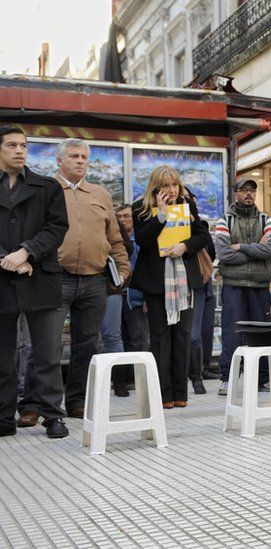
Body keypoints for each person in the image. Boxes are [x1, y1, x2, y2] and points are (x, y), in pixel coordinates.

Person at [18, 138, 129, 423]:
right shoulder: (44, 190)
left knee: (88, 344)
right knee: (45, 345)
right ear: (59, 160)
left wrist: (123, 269)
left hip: (94, 280)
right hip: (54, 277)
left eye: (84, 157)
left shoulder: (100, 193)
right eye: (74, 156)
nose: (81, 161)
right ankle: (32, 404)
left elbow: (114, 237)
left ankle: (77, 401)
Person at [0, 125, 70, 438]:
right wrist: (9, 259)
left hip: (40, 277)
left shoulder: (47, 187)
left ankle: (53, 415)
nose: (19, 151)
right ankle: (3, 418)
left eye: (24, 146)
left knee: (46, 353)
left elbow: (57, 228)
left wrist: (28, 252)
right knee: (3, 354)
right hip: (3, 277)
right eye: (12, 145)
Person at [130, 166, 210, 408]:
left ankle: (180, 394)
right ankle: (163, 395)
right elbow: (143, 241)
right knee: (160, 337)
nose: (171, 190)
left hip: (184, 280)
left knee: (183, 336)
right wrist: (161, 216)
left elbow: (203, 235)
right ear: (156, 188)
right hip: (156, 283)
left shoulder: (187, 205)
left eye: (174, 185)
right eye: (165, 186)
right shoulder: (140, 208)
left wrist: (185, 246)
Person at [214, 179, 271, 396]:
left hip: (260, 285)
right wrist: (255, 250)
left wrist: (240, 246)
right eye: (244, 190)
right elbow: (224, 254)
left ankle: (263, 379)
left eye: (252, 190)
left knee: (261, 334)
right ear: (236, 194)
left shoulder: (266, 219)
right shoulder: (225, 220)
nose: (249, 194)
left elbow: (270, 249)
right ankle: (227, 378)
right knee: (232, 333)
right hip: (233, 285)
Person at [115, 203, 150, 395]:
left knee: (138, 340)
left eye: (126, 216)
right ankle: (122, 380)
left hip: (136, 296)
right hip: (116, 295)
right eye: (119, 217)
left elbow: (145, 271)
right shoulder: (114, 240)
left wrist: (147, 298)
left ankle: (138, 378)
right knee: (118, 340)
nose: (122, 220)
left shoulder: (141, 241)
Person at [101, 206, 134, 396]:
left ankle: (119, 382)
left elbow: (127, 247)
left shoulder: (112, 223)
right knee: (87, 338)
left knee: (112, 336)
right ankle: (92, 383)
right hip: (79, 282)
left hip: (110, 284)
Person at [186, 190, 216, 395]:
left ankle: (200, 372)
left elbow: (211, 253)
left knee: (201, 331)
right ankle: (191, 376)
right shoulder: (167, 223)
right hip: (181, 283)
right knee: (190, 333)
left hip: (202, 281)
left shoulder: (201, 227)